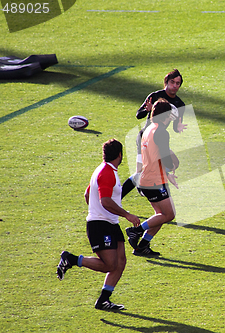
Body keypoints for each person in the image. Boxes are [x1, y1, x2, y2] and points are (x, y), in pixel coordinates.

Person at [56, 139, 140, 310]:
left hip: (109, 223)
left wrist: (99, 211)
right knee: (109, 264)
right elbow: (105, 200)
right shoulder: (107, 173)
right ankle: (72, 259)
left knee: (121, 261)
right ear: (119, 155)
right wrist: (127, 214)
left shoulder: (104, 170)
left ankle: (103, 300)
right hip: (100, 225)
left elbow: (87, 194)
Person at [121, 69, 187, 198]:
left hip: (159, 139)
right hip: (145, 138)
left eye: (177, 83)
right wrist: (149, 111)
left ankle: (151, 185)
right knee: (140, 172)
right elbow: (138, 115)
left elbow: (174, 127)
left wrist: (178, 127)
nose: (174, 86)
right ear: (166, 82)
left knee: (174, 162)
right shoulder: (155, 96)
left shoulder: (180, 104)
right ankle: (121, 196)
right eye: (172, 82)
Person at [125, 99, 179, 257]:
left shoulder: (148, 129)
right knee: (169, 215)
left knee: (159, 216)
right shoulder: (162, 131)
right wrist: (171, 169)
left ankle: (142, 246)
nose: (170, 118)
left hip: (147, 179)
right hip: (154, 180)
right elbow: (164, 156)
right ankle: (136, 231)